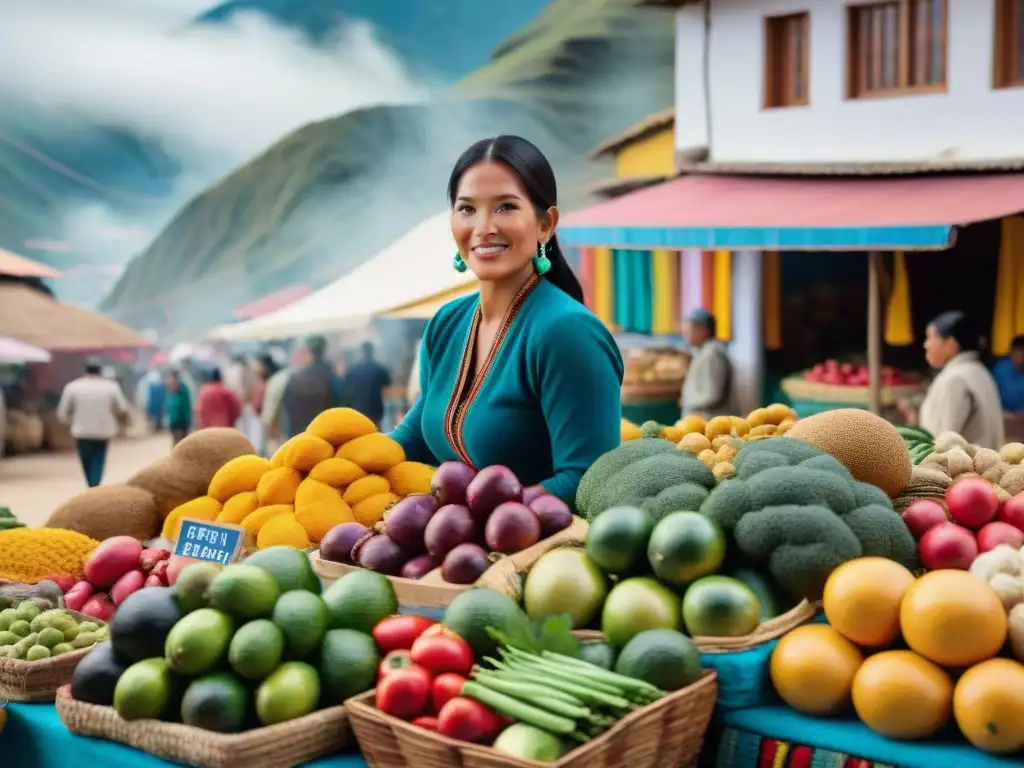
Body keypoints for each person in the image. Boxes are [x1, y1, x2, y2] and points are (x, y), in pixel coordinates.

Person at [390, 135, 623, 506]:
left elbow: (588, 479)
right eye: (467, 209)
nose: (484, 227)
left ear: (546, 224)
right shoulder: (447, 324)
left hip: (541, 555)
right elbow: (416, 435)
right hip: (455, 551)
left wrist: (478, 520)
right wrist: (331, 463)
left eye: (505, 207)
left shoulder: (567, 333)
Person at [901, 310, 1005, 449]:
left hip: (964, 469)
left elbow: (939, 444)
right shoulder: (979, 371)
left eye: (931, 337)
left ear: (951, 344)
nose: (926, 345)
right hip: (987, 465)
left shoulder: (954, 380)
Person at [56, 358, 130, 487]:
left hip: (82, 431)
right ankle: (94, 483)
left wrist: (71, 422)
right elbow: (122, 408)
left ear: (85, 370)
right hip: (103, 431)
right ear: (100, 371)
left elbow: (63, 412)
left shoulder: (73, 387)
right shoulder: (111, 387)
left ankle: (91, 483)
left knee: (86, 459)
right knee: (98, 459)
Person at [282, 336, 344, 435]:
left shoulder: (296, 377)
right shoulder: (332, 377)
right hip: (326, 434)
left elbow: (287, 406)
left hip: (301, 435)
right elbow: (342, 405)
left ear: (309, 351)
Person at [680, 308, 736, 419]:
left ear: (703, 330)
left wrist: (688, 401)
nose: (685, 334)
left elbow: (712, 394)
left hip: (710, 422)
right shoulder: (703, 351)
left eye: (690, 329)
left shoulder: (712, 353)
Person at [262, 346, 306, 452]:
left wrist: (269, 439)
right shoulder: (311, 377)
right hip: (301, 435)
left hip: (285, 437)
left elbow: (269, 415)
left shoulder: (278, 379)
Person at [344, 341, 392, 428]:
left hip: (358, 410)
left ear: (361, 351)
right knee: (375, 434)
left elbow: (347, 389)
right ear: (373, 351)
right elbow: (387, 383)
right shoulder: (379, 368)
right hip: (375, 410)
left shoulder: (353, 369)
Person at [993, 336, 1024, 414]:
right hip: (1004, 416)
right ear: (1011, 352)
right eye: (1016, 353)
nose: (1020, 358)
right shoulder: (1000, 369)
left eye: (1022, 352)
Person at [165, 370, 193, 445]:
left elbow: (187, 406)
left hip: (182, 421)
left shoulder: (184, 390)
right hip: (174, 422)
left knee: (183, 444)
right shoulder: (170, 392)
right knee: (176, 443)